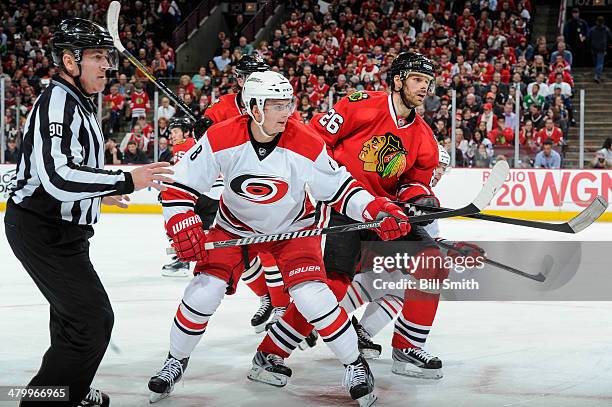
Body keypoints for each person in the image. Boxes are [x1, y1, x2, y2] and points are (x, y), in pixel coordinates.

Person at [148, 71, 408, 406]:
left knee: (315, 297)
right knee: (204, 292)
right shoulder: (220, 137)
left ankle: (355, 365)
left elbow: (341, 190)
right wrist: (181, 220)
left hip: (294, 231)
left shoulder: (306, 142)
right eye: (277, 105)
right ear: (254, 107)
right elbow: (180, 187)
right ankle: (175, 360)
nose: (287, 111)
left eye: (288, 103)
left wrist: (376, 210)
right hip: (235, 228)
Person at [4, 18, 174, 407]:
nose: (107, 66)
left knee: (71, 321)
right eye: (97, 57)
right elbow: (58, 176)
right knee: (91, 323)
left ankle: (68, 392)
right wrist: (126, 181)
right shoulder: (58, 103)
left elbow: (72, 170)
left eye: (106, 57)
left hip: (59, 229)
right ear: (69, 60)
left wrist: (95, 195)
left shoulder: (75, 100)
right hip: (42, 230)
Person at [255, 52, 449, 382]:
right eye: (417, 80)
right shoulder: (359, 105)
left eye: (428, 83)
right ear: (398, 80)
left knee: (431, 260)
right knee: (330, 288)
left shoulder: (424, 137)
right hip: (342, 209)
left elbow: (412, 182)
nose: (423, 88)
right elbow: (314, 139)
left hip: (384, 216)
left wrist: (420, 200)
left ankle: (408, 346)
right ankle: (269, 353)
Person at [204, 54, 300, 333]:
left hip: (273, 188)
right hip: (237, 190)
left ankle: (281, 304)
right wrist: (200, 130)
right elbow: (207, 139)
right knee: (243, 257)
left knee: (269, 251)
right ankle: (266, 298)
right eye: (248, 75)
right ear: (238, 79)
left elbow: (296, 137)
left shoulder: (275, 101)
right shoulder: (222, 105)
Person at [588, 16, 612, 83]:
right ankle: (597, 75)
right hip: (601, 48)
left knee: (598, 63)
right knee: (599, 63)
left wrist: (589, 46)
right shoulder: (606, 29)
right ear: (603, 22)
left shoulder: (592, 29)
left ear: (596, 22)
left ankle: (597, 75)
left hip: (594, 48)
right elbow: (610, 38)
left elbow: (588, 38)